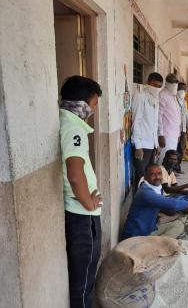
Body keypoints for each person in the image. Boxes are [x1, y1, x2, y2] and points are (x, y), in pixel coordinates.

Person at [59, 75, 103, 308]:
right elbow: (75, 175)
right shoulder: (73, 128)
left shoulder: (66, 123)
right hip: (82, 217)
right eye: (94, 104)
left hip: (79, 214)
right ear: (83, 104)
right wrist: (89, 203)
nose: (93, 110)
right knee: (83, 282)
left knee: (83, 280)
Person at [122, 164, 188, 240]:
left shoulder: (156, 187)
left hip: (149, 229)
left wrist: (185, 208)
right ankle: (154, 246)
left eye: (159, 173)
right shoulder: (145, 192)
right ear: (145, 177)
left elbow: (166, 206)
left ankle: (155, 243)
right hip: (136, 236)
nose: (157, 177)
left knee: (178, 225)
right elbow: (173, 205)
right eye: (153, 174)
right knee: (176, 226)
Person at [131, 72, 163, 190]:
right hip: (142, 144)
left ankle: (149, 200)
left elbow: (154, 124)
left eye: (159, 86)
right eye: (154, 85)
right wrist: (138, 146)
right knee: (141, 175)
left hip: (151, 144)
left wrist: (156, 144)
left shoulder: (155, 99)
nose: (156, 88)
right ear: (148, 83)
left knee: (150, 175)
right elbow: (136, 122)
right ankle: (139, 201)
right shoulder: (141, 97)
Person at [158, 73, 181, 164]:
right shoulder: (162, 95)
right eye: (173, 83)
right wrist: (160, 134)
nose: (175, 85)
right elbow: (159, 116)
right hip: (166, 135)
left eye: (176, 83)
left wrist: (178, 134)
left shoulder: (173, 96)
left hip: (174, 134)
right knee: (164, 158)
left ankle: (169, 175)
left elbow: (176, 117)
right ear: (167, 83)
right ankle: (162, 177)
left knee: (172, 158)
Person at [175, 82, 188, 173]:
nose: (183, 91)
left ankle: (178, 167)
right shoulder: (173, 100)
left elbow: (185, 116)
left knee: (181, 148)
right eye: (181, 89)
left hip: (182, 129)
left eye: (184, 90)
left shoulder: (184, 102)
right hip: (174, 129)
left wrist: (186, 127)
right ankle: (172, 169)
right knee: (174, 149)